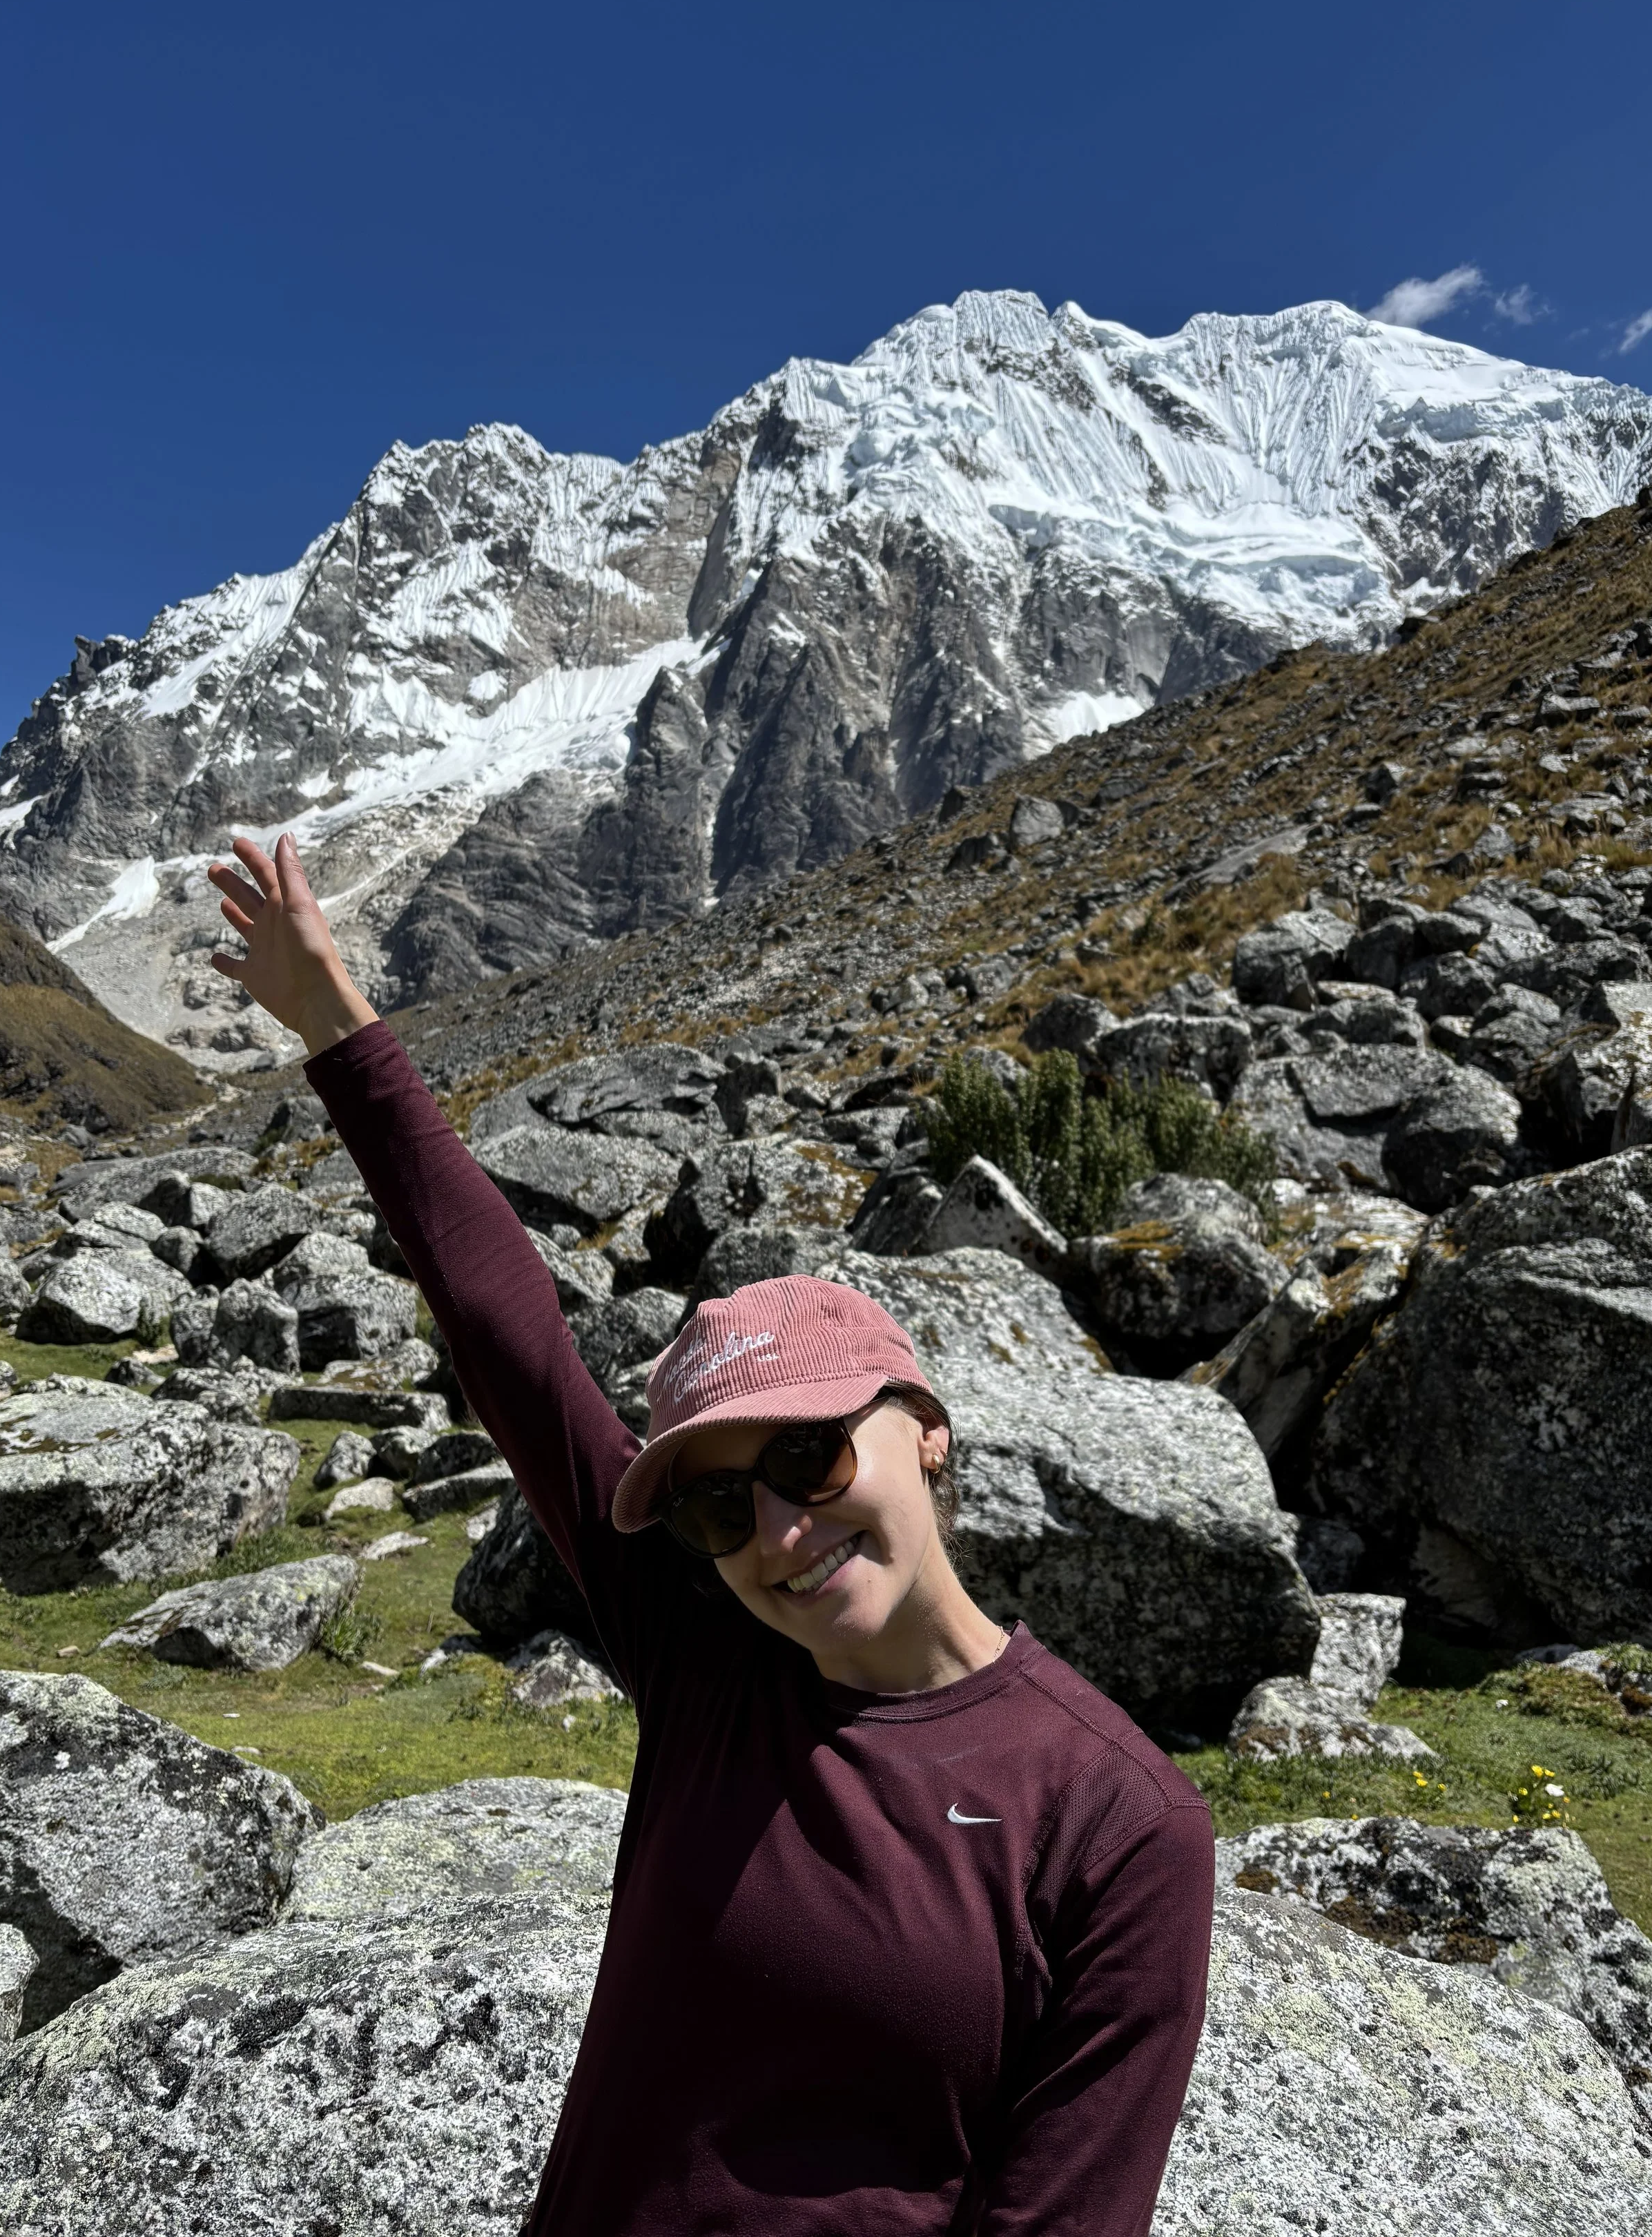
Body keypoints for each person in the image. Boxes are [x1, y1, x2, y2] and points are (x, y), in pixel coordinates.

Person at [208, 829, 1216, 2236]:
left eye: (808, 1454)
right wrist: (335, 1024)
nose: (778, 1530)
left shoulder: (1115, 1823)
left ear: (920, 1423)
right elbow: (512, 1336)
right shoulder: (708, 1655)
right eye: (714, 1502)